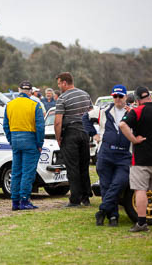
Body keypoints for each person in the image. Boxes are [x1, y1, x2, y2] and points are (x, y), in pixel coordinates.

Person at [120, 86, 152, 232]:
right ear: (150, 97)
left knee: (140, 189)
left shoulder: (137, 110)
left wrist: (134, 140)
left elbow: (122, 125)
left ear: (137, 99)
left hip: (141, 158)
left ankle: (142, 223)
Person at [83, 85, 132, 226]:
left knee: (119, 183)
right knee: (105, 185)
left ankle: (102, 210)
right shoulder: (104, 110)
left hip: (124, 155)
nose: (117, 99)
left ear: (126, 97)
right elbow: (85, 118)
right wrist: (94, 134)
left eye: (120, 96)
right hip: (106, 153)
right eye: (115, 96)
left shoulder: (132, 112)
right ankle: (112, 217)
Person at [3, 80, 45, 210]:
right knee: (28, 172)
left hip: (16, 140)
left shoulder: (10, 105)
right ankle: (25, 200)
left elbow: (6, 126)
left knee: (16, 172)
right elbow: (40, 127)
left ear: (19, 90)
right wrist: (39, 143)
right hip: (30, 141)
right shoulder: (35, 105)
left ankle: (15, 201)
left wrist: (11, 140)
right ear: (31, 92)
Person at [54, 72, 93, 207]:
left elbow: (58, 122)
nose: (58, 86)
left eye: (59, 83)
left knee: (72, 167)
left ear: (64, 83)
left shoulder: (62, 98)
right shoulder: (85, 94)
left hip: (70, 133)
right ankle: (86, 197)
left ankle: (75, 199)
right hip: (84, 133)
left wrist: (58, 138)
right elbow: (91, 114)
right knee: (84, 166)